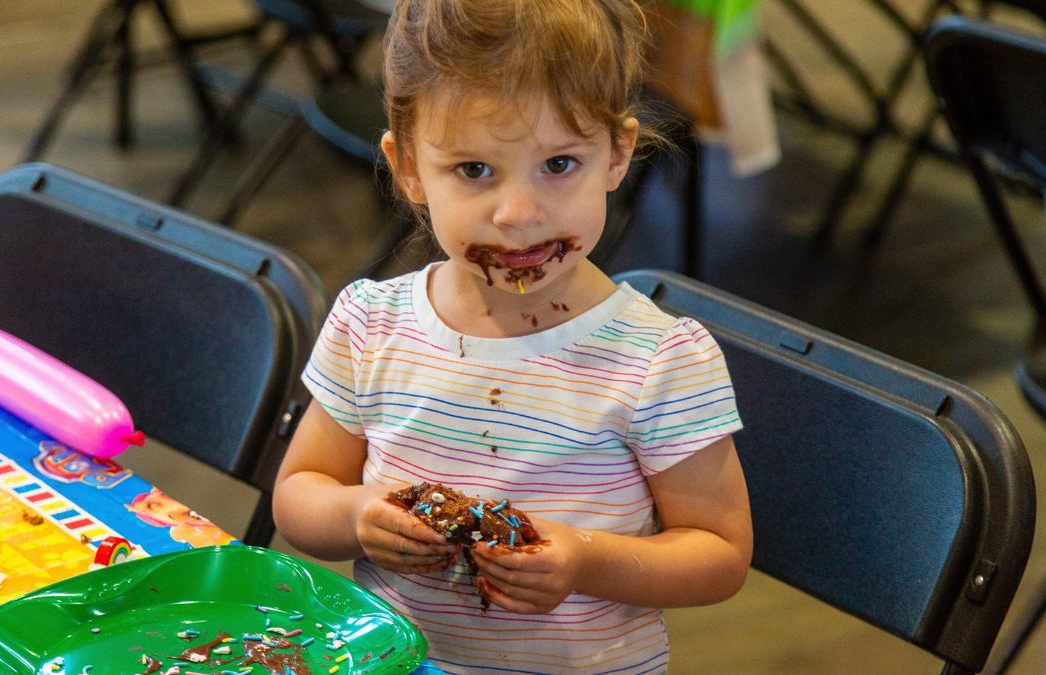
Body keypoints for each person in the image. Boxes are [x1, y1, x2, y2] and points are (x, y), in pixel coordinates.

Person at [272, 1, 753, 671]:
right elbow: (298, 494)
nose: (519, 215)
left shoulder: (659, 360)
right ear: (409, 167)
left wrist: (585, 559)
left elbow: (719, 554)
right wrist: (356, 514)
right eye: (474, 170)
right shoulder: (372, 324)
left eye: (559, 164)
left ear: (616, 154)